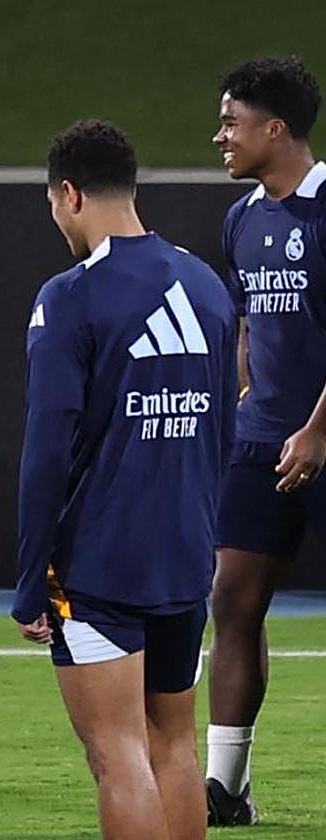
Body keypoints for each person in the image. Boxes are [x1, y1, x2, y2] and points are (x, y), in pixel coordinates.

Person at [13, 121, 236, 840]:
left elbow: (47, 451)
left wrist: (28, 578)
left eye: (53, 206)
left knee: (118, 755)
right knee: (175, 744)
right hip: (185, 555)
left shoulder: (70, 297)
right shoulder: (205, 285)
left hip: (101, 563)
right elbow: (222, 431)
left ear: (70, 194)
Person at [205, 56, 326, 826]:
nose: (220, 136)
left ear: (274, 129)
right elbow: (250, 322)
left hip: (321, 437)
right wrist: (249, 398)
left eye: (231, 123)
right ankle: (226, 786)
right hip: (262, 446)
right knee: (231, 600)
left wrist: (318, 429)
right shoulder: (244, 219)